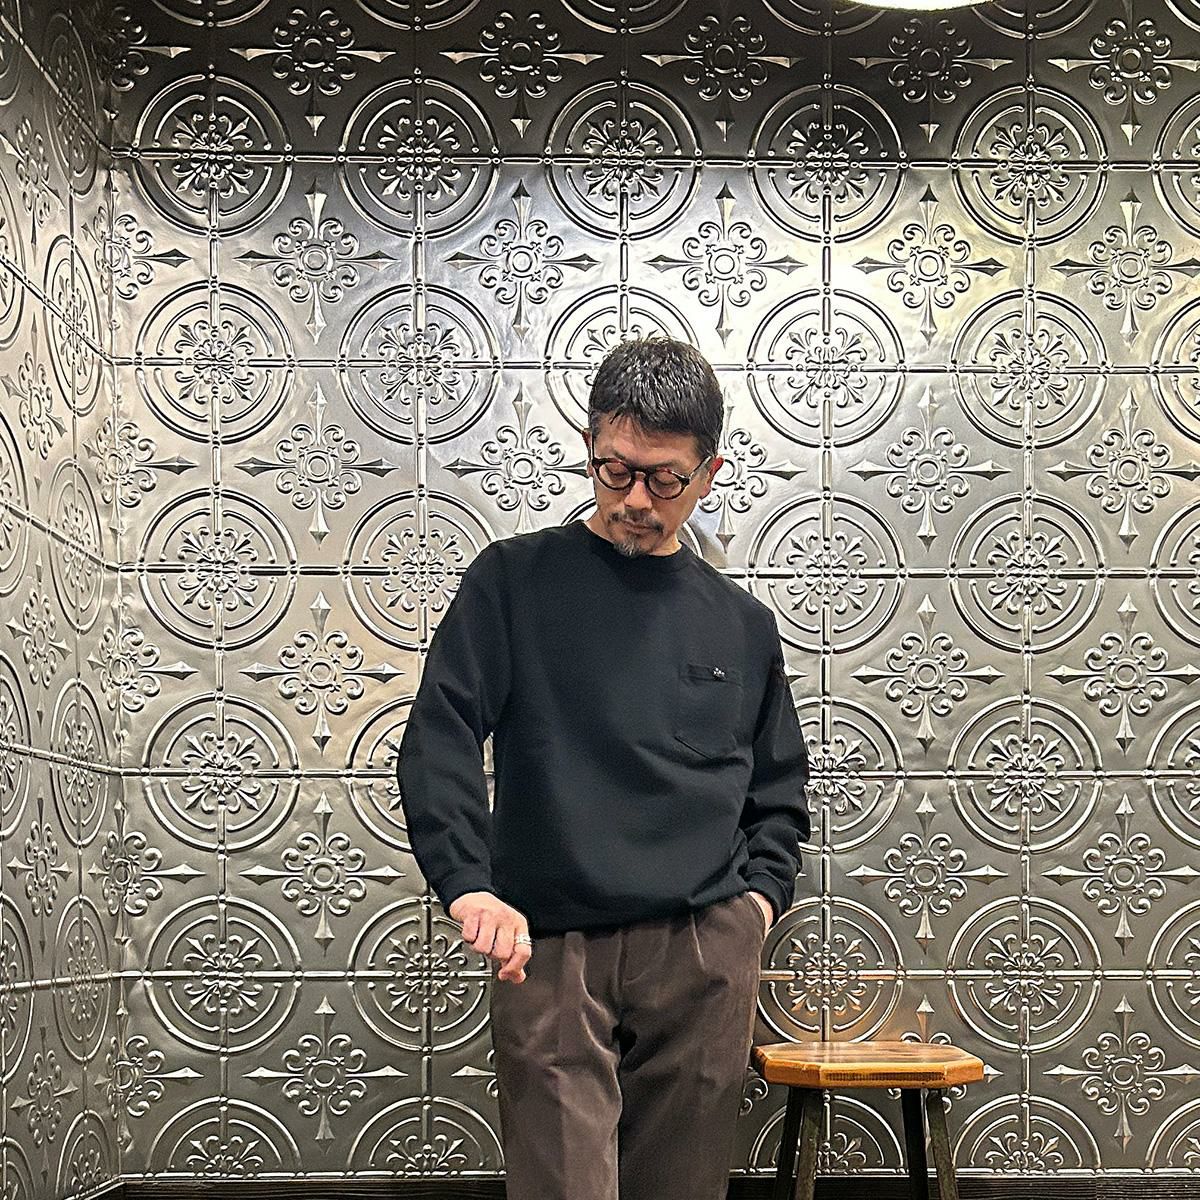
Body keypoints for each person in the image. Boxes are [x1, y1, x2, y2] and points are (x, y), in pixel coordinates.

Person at [397, 335, 811, 1200]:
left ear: (709, 473)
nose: (634, 500)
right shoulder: (513, 581)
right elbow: (440, 734)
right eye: (613, 469)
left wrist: (755, 910)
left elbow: (777, 790)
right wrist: (467, 885)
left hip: (702, 947)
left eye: (664, 479)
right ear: (590, 446)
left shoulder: (740, 623)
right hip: (549, 944)